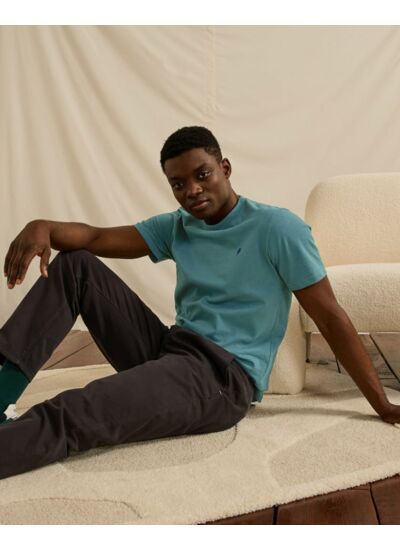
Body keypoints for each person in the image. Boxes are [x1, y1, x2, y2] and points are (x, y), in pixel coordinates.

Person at [0, 126, 399, 481]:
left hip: (220, 377)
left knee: (79, 410)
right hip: (170, 349)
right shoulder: (179, 225)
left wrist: (381, 404)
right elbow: (95, 237)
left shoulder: (278, 228)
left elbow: (329, 316)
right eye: (178, 183)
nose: (191, 190)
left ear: (225, 168)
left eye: (202, 175)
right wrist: (43, 227)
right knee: (76, 266)